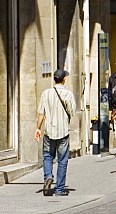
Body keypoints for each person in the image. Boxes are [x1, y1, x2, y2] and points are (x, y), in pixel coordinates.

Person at [35, 68, 76, 197]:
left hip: (48, 131)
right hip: (63, 131)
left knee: (47, 157)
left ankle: (48, 177)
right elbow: (72, 112)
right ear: (64, 80)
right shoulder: (68, 94)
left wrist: (38, 128)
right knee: (62, 161)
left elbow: (41, 113)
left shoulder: (45, 93)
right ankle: (59, 189)